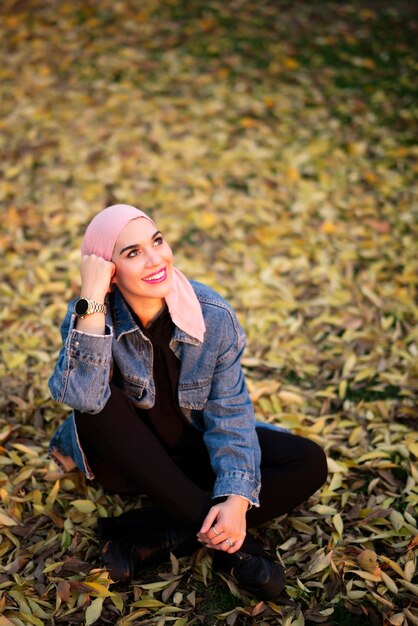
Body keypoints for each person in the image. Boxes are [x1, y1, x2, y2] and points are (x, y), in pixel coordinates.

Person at [48, 204, 327, 600]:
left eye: (157, 241)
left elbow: (230, 411)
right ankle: (237, 551)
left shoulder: (212, 315)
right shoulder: (89, 318)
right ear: (109, 271)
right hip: (131, 463)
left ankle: (150, 533)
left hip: (193, 448)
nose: (156, 258)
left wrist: (235, 498)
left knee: (308, 461)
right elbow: (81, 397)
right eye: (132, 253)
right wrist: (92, 298)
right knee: (96, 405)